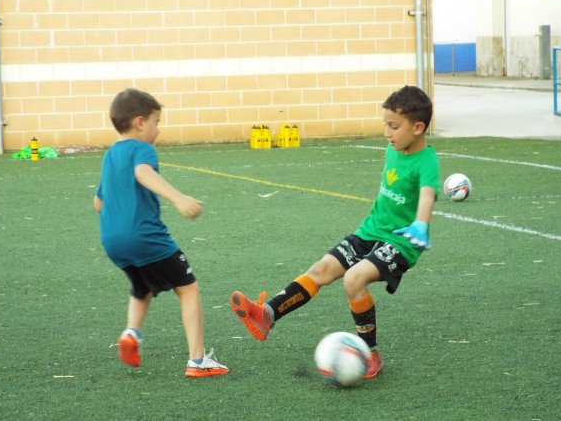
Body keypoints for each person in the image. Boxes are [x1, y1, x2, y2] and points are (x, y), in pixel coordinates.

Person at [230, 85, 439, 379]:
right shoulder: (394, 147)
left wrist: (420, 223)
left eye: (393, 126)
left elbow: (427, 194)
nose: (387, 133)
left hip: (402, 241)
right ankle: (268, 315)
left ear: (418, 127)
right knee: (322, 269)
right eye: (385, 125)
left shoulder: (427, 161)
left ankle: (369, 353)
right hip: (370, 232)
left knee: (354, 280)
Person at [94, 88, 228, 378]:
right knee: (188, 288)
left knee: (142, 287)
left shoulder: (110, 155)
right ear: (140, 122)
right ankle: (198, 361)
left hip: (112, 242)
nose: (158, 129)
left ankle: (132, 333)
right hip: (145, 237)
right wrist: (178, 198)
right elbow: (143, 173)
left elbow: (98, 202)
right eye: (156, 122)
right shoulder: (142, 149)